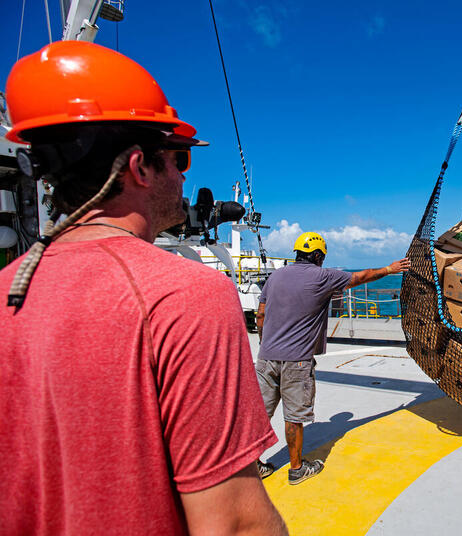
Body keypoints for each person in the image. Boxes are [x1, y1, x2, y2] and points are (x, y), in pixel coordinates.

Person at [0, 42, 287, 534]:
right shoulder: (187, 295)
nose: (181, 174)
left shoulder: (9, 285)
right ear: (139, 167)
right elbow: (235, 524)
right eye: (178, 158)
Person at [254, 232, 410, 484]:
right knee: (294, 417)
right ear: (317, 256)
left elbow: (261, 315)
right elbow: (362, 276)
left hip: (266, 358)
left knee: (260, 413)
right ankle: (296, 469)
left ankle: (255, 465)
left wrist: (265, 342)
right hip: (297, 361)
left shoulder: (276, 277)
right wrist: (390, 269)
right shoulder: (323, 276)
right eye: (322, 257)